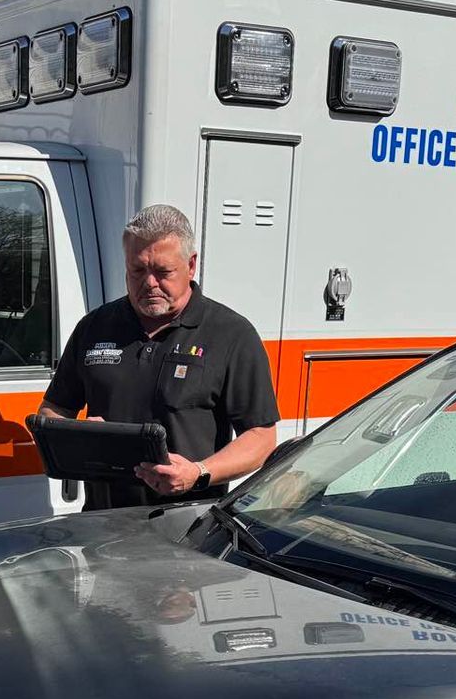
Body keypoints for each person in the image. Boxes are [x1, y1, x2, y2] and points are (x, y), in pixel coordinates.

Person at [38, 204, 280, 510]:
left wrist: (199, 472)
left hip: (189, 527)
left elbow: (261, 437)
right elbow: (53, 410)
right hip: (102, 523)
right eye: (137, 270)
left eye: (163, 272)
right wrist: (78, 436)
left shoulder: (231, 334)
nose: (149, 283)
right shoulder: (94, 327)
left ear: (191, 265)